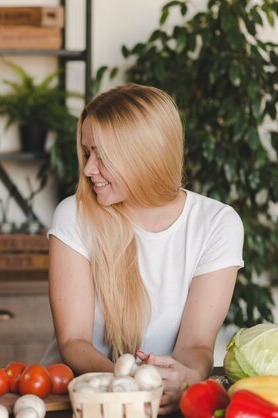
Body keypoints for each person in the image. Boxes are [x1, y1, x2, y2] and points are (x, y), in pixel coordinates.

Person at [42, 83, 243, 413]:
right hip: (79, 399)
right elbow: (73, 342)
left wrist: (184, 378)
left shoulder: (217, 223)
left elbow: (196, 345)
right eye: (87, 152)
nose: (89, 169)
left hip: (160, 402)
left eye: (101, 156)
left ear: (143, 156)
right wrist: (131, 386)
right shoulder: (74, 215)